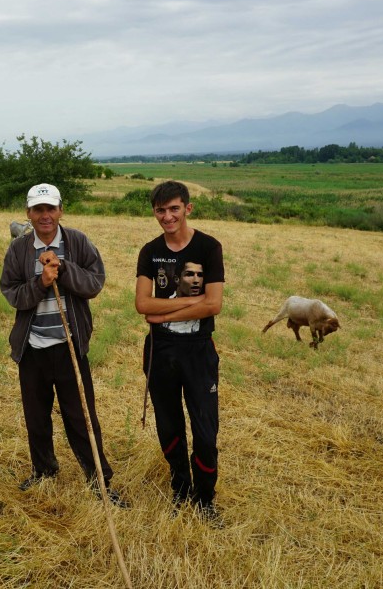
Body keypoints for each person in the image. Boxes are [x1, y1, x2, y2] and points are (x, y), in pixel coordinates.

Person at [0, 183, 126, 506]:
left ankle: (99, 481)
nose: (45, 215)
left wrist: (65, 269)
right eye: (38, 209)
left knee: (82, 417)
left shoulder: (78, 242)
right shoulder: (18, 250)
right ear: (28, 213)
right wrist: (41, 283)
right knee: (36, 416)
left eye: (50, 208)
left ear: (60, 210)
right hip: (33, 348)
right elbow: (12, 293)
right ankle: (43, 471)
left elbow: (95, 283)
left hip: (70, 345)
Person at [134, 180, 224, 524]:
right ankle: (181, 488)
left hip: (198, 351)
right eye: (160, 210)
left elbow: (214, 305)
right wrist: (192, 302)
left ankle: (205, 499)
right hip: (161, 351)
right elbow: (141, 303)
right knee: (169, 426)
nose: (167, 216)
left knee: (205, 430)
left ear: (188, 208)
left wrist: (163, 312)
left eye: (174, 208)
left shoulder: (208, 248)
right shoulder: (150, 251)